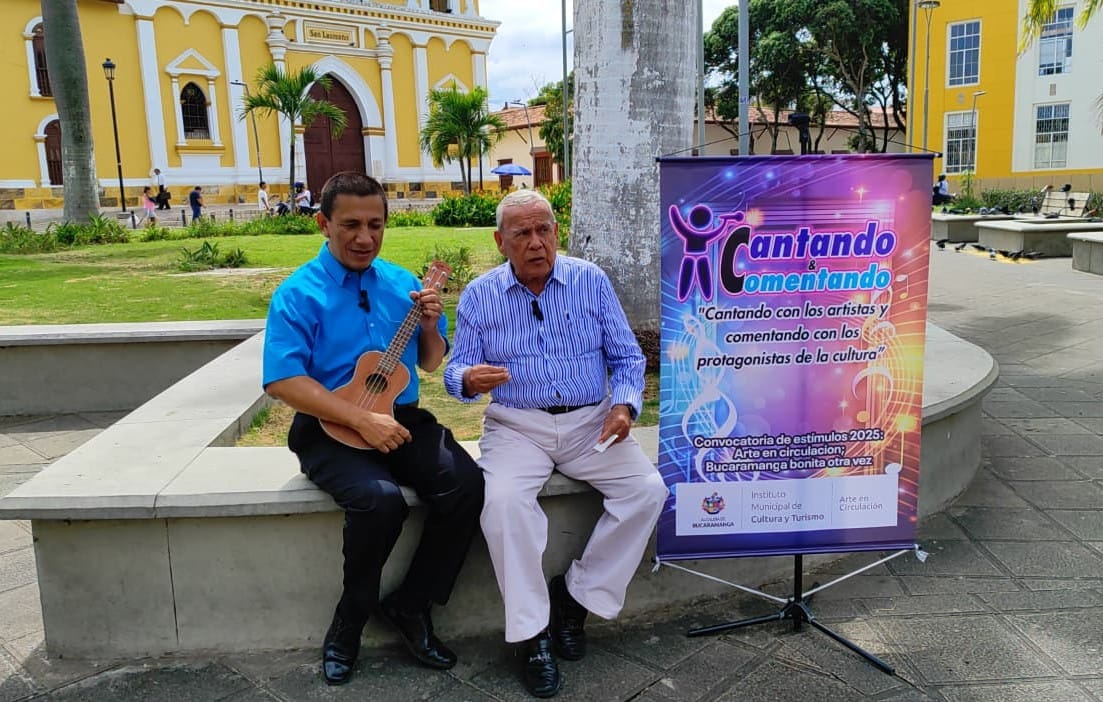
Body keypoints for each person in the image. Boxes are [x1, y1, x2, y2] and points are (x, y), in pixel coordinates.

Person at [262, 171, 484, 687]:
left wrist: (430, 324)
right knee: (381, 501)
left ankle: (411, 603)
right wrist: (360, 418)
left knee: (467, 485)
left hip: (399, 417)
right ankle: (350, 620)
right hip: (328, 424)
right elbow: (282, 380)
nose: (365, 238)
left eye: (376, 225)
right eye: (351, 225)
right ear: (323, 223)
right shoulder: (299, 293)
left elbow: (430, 365)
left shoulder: (404, 284)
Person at [444, 189, 668, 698]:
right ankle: (532, 635)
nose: (536, 242)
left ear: (556, 233)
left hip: (591, 420)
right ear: (501, 242)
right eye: (521, 233)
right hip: (516, 425)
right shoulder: (480, 294)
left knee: (647, 491)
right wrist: (469, 380)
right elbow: (455, 372)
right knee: (502, 504)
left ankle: (576, 596)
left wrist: (624, 406)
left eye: (543, 229)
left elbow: (627, 358)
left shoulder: (589, 280)